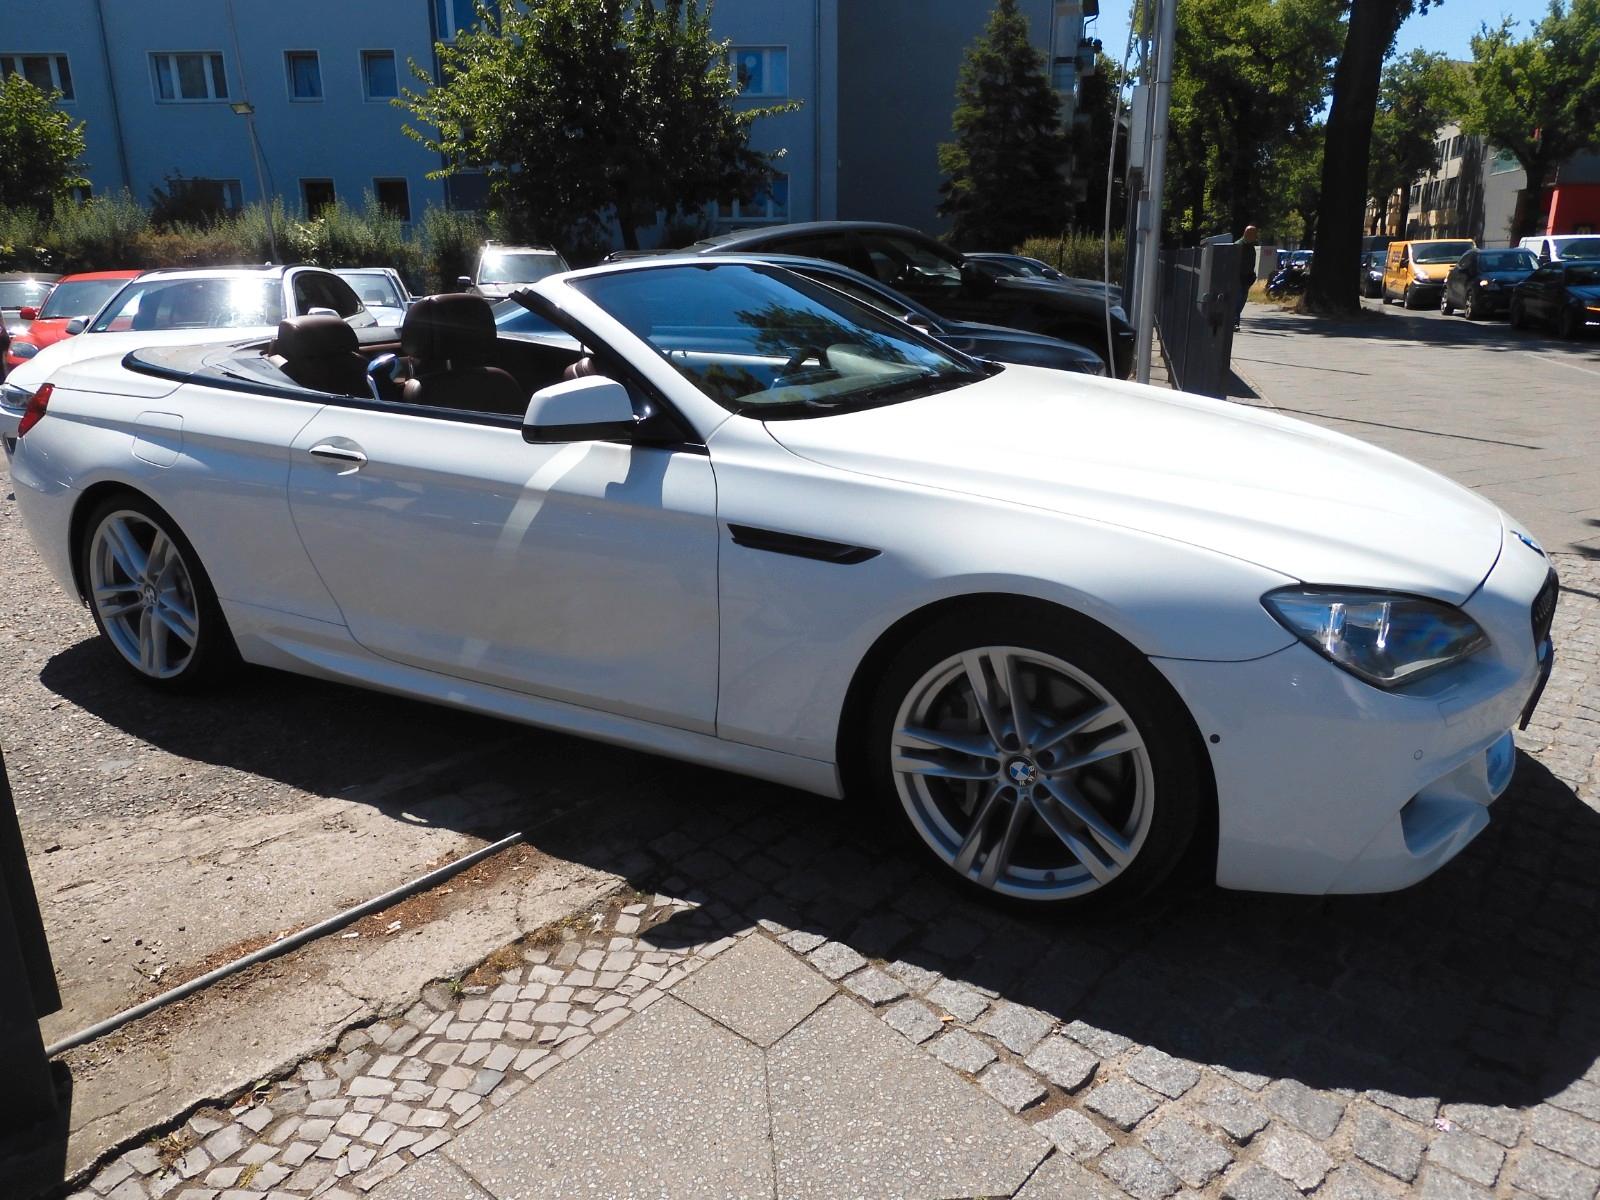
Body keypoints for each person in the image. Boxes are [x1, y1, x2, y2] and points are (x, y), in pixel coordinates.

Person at [1234, 225, 1260, 330]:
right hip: (1238, 278)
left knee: (1242, 301)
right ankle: (1234, 322)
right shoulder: (1238, 245)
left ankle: (1235, 322)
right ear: (1247, 234)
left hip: (1246, 278)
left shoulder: (1251, 247)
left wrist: (1252, 275)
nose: (1255, 236)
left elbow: (1251, 263)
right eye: (1254, 234)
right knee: (1237, 301)